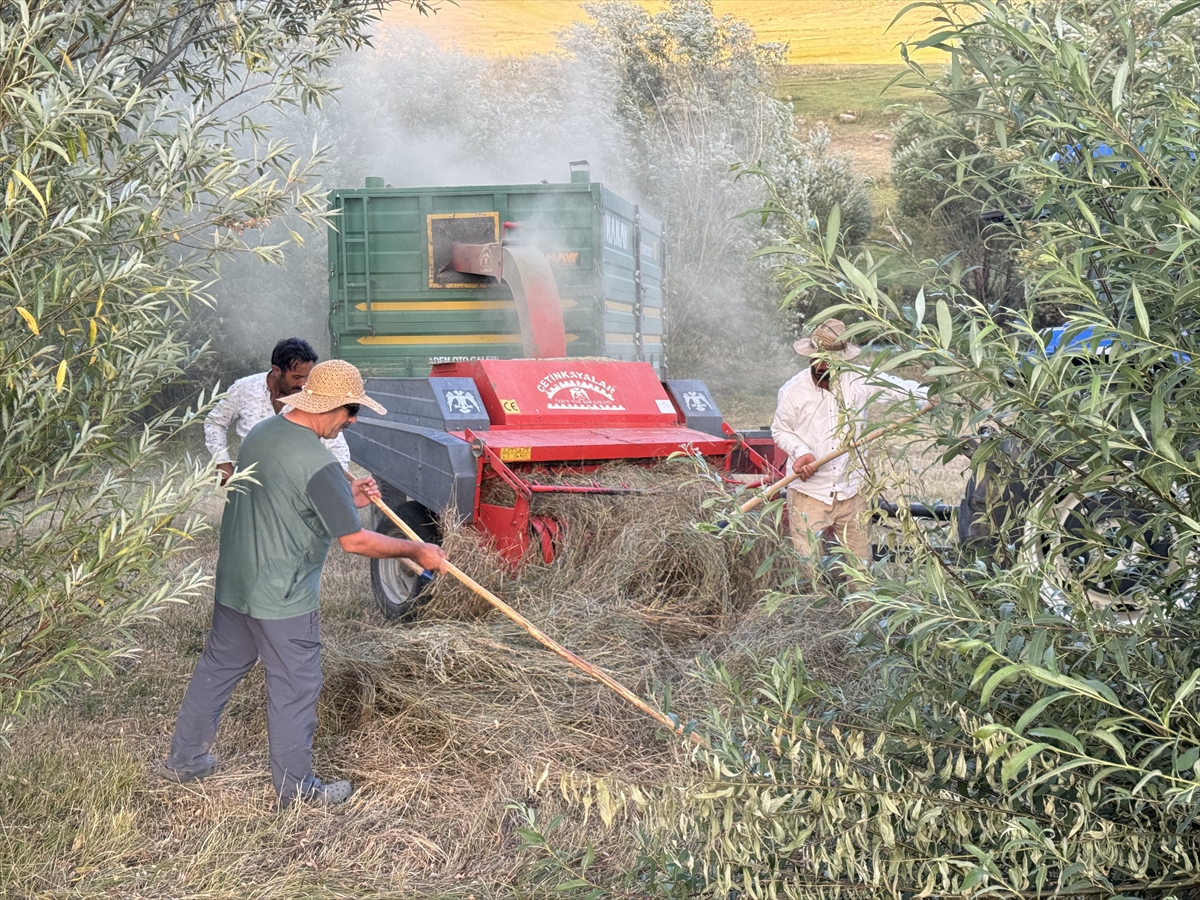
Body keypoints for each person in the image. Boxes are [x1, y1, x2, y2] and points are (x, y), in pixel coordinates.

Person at [159, 359, 449, 808]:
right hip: (282, 594)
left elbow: (283, 496)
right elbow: (353, 541)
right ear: (332, 406)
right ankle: (296, 791)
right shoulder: (318, 461)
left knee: (216, 669)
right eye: (352, 411)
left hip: (238, 580)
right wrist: (417, 551)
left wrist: (344, 497)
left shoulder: (262, 434)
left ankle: (185, 760)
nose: (353, 420)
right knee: (296, 687)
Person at [771, 318, 928, 579]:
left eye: (828, 358)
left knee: (861, 568)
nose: (821, 364)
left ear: (841, 358)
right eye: (817, 357)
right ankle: (814, 614)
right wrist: (801, 453)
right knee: (808, 569)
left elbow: (896, 387)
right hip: (809, 495)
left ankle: (862, 614)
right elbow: (780, 430)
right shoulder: (792, 391)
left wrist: (928, 394)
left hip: (851, 491)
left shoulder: (859, 380)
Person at [205, 337, 351, 485]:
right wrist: (222, 462)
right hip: (249, 483)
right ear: (276, 371)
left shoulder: (311, 398)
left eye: (308, 376)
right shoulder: (244, 389)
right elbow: (215, 422)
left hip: (294, 486)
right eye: (297, 377)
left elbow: (337, 447)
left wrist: (334, 483)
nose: (303, 383)